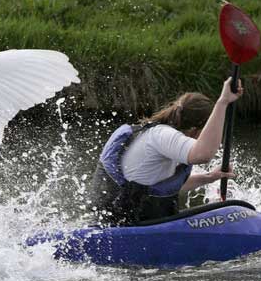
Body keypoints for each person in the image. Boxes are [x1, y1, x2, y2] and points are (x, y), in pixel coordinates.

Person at [91, 78, 243, 226]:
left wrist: (209, 177)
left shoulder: (164, 140)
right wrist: (223, 102)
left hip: (129, 221)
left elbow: (162, 189)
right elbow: (203, 154)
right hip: (121, 226)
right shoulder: (162, 136)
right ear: (195, 129)